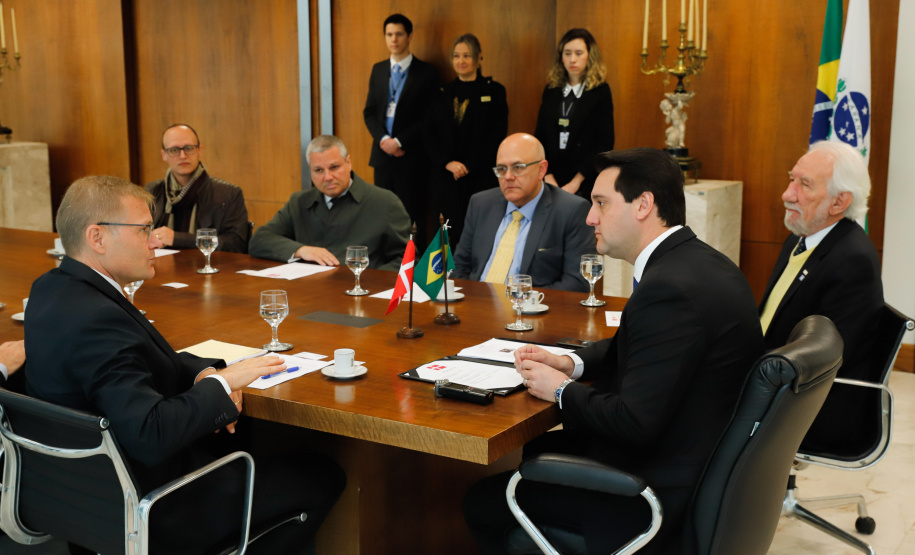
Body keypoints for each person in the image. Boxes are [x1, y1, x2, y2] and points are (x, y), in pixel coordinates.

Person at [463, 147, 764, 554]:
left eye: (601, 203)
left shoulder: (668, 290)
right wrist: (570, 361)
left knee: (481, 500)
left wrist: (560, 391)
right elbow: (642, 343)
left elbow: (635, 421)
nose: (590, 217)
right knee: (539, 450)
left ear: (643, 205)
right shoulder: (699, 263)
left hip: (651, 496)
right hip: (701, 468)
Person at [24, 176, 344, 554]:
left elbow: (137, 359)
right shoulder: (98, 319)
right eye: (143, 229)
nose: (154, 240)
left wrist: (201, 372)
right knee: (321, 474)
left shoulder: (52, 288)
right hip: (158, 506)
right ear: (97, 238)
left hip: (83, 503)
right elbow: (151, 433)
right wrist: (222, 386)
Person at [759, 140, 883, 451]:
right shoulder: (802, 237)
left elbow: (825, 361)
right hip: (777, 380)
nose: (788, 194)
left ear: (839, 202)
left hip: (814, 406)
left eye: (804, 184)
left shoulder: (852, 259)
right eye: (792, 178)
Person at [451, 133, 592, 292]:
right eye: (501, 169)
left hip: (531, 311)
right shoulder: (481, 204)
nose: (508, 177)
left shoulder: (571, 210)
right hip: (476, 305)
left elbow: (576, 283)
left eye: (518, 168)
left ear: (541, 169)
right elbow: (460, 267)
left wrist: (521, 305)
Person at [248, 135, 410, 270]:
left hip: (362, 294)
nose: (327, 177)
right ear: (310, 170)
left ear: (349, 162)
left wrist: (366, 281)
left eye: (334, 167)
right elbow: (259, 240)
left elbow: (406, 260)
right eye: (318, 170)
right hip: (308, 294)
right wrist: (300, 250)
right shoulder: (299, 202)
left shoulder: (385, 202)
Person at [363, 13, 439, 246]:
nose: (393, 39)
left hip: (412, 158)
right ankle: (386, 268)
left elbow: (430, 117)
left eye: (398, 34)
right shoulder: (378, 69)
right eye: (389, 34)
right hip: (383, 157)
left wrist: (399, 142)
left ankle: (413, 268)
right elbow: (369, 112)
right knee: (382, 215)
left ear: (409, 36)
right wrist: (384, 140)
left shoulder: (426, 72)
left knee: (412, 217)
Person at [428, 33, 508, 247]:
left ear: (478, 58)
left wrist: (468, 165)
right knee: (449, 237)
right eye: (456, 56)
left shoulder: (494, 91)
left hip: (479, 177)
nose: (461, 61)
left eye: (467, 55)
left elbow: (496, 136)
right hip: (447, 178)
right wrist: (447, 163)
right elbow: (430, 134)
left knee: (480, 236)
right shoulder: (441, 92)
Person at [534, 28, 615, 201]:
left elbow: (605, 142)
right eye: (567, 53)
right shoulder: (551, 90)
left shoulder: (600, 91)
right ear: (561, 57)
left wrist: (576, 181)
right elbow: (540, 137)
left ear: (589, 56)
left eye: (579, 53)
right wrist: (547, 176)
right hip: (550, 180)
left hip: (584, 181)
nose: (572, 59)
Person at [145, 124, 249, 253]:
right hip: (160, 267)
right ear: (164, 155)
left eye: (189, 148)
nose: (182, 156)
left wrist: (177, 239)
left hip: (209, 267)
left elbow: (236, 244)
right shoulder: (152, 191)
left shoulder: (229, 194)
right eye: (174, 150)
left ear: (200, 150)